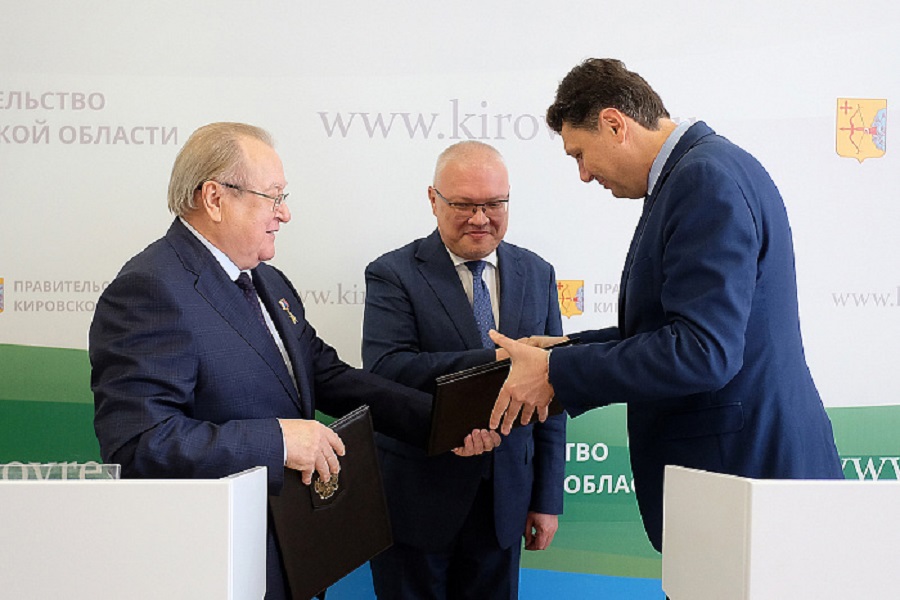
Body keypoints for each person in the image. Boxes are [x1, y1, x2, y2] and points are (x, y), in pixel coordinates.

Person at [89, 122, 497, 600]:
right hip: (215, 562)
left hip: (288, 552)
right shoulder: (150, 289)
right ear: (215, 198)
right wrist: (278, 441)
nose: (285, 213)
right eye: (273, 197)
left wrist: (443, 425)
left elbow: (329, 377)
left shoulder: (268, 281)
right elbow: (140, 443)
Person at [489, 59, 844, 553]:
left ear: (615, 124)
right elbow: (673, 327)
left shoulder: (703, 180)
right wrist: (563, 350)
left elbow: (703, 351)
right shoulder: (701, 170)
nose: (584, 175)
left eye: (581, 154)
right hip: (744, 476)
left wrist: (557, 373)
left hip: (745, 477)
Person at [362, 140, 566, 599]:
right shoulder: (392, 273)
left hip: (504, 505)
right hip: (417, 499)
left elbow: (552, 394)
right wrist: (499, 360)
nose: (480, 218)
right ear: (433, 200)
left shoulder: (538, 273)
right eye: (463, 205)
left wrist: (546, 500)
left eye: (494, 204)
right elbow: (387, 369)